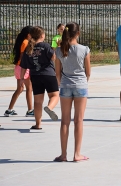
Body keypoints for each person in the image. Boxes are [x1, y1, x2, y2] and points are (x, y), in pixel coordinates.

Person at [54, 22, 91, 162]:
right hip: (80, 85)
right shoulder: (84, 49)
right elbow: (88, 72)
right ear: (78, 33)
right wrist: (83, 81)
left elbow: (57, 73)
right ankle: (77, 154)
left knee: (65, 121)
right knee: (79, 120)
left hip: (65, 85)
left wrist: (61, 83)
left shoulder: (59, 50)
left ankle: (63, 154)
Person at [20, 26, 60, 130]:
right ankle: (49, 108)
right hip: (48, 74)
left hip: (35, 76)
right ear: (42, 35)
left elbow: (23, 66)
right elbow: (53, 57)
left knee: (37, 102)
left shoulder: (28, 48)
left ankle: (38, 124)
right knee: (54, 95)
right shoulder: (46, 46)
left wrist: (21, 79)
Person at [4, 26, 34, 117]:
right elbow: (23, 55)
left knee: (20, 88)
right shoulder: (25, 42)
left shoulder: (22, 41)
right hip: (23, 67)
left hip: (18, 67)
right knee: (29, 88)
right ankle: (30, 110)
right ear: (29, 35)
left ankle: (9, 110)